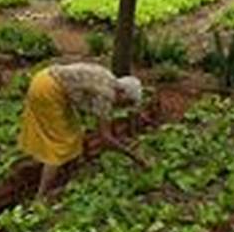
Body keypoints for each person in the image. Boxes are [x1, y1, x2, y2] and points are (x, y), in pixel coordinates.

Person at [18, 62, 146, 198]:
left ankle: (69, 172)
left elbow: (82, 97)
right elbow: (106, 138)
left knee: (74, 130)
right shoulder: (106, 96)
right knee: (60, 145)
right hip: (48, 90)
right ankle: (41, 195)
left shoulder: (108, 79)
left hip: (44, 78)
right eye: (126, 102)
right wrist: (133, 156)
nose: (123, 107)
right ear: (122, 92)